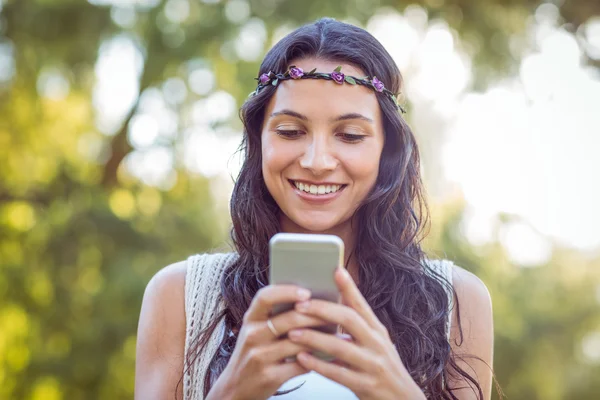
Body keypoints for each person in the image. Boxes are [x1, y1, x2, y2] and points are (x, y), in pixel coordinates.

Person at [135, 17, 494, 400]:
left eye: (350, 135)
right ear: (259, 142)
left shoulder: (456, 301)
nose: (317, 160)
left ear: (385, 151)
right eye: (290, 131)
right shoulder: (181, 296)